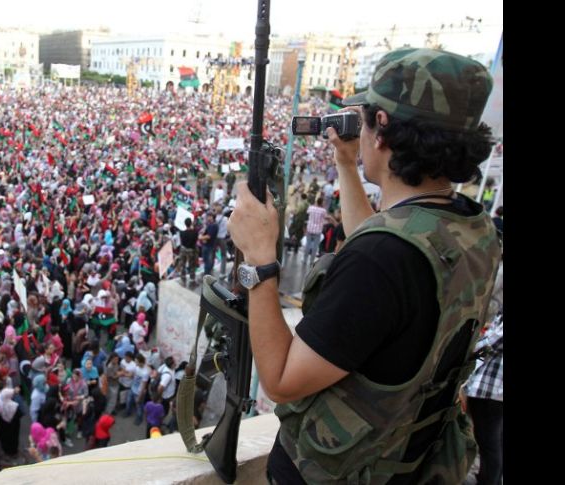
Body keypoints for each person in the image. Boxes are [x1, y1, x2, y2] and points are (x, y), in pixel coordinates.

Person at [227, 48, 501, 484]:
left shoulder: (381, 262)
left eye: (368, 116)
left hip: (340, 472)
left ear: (382, 130)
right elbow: (382, 253)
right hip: (409, 456)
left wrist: (260, 261)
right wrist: (345, 164)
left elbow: (279, 379)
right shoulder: (472, 224)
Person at [461, 313, 503, 485]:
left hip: (491, 390)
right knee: (495, 439)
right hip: (491, 389)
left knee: (488, 440)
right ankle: (491, 478)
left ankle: (489, 480)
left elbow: (492, 342)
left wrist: (472, 342)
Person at [0, 387, 24, 456]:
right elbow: (20, 414)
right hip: (13, 426)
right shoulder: (13, 405)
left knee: (4, 437)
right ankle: (13, 451)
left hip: (2, 424)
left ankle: (6, 450)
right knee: (13, 438)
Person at [175, 218, 199, 287]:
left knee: (183, 264)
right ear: (191, 223)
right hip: (192, 250)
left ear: (185, 224)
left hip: (183, 250)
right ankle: (192, 279)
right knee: (192, 265)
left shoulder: (182, 233)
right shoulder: (195, 232)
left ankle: (183, 278)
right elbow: (196, 239)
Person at [199, 212, 219, 276]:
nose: (207, 218)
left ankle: (206, 273)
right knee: (207, 260)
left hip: (209, 246)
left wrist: (201, 237)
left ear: (212, 217)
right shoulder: (209, 224)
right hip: (208, 245)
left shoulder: (213, 225)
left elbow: (209, 236)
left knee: (207, 260)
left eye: (208, 216)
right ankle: (207, 272)